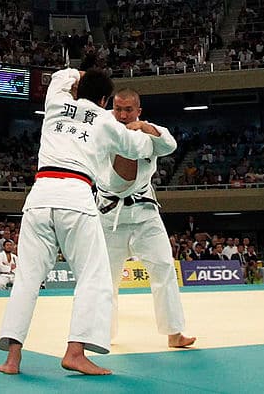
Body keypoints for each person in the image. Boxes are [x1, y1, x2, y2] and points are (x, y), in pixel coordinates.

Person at [0, 62, 160, 377]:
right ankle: (76, 352)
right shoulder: (106, 120)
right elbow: (138, 146)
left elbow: (60, 76)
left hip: (39, 198)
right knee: (94, 277)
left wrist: (79, 77)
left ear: (77, 90)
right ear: (103, 101)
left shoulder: (56, 103)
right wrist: (146, 129)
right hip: (75, 198)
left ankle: (12, 359)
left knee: (28, 278)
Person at [97, 87, 195, 349]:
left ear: (138, 110)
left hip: (144, 213)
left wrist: (145, 128)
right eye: (118, 108)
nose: (123, 114)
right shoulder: (103, 126)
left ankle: (174, 333)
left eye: (129, 110)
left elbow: (171, 145)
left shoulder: (150, 133)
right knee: (106, 279)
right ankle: (101, 334)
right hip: (109, 215)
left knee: (164, 269)